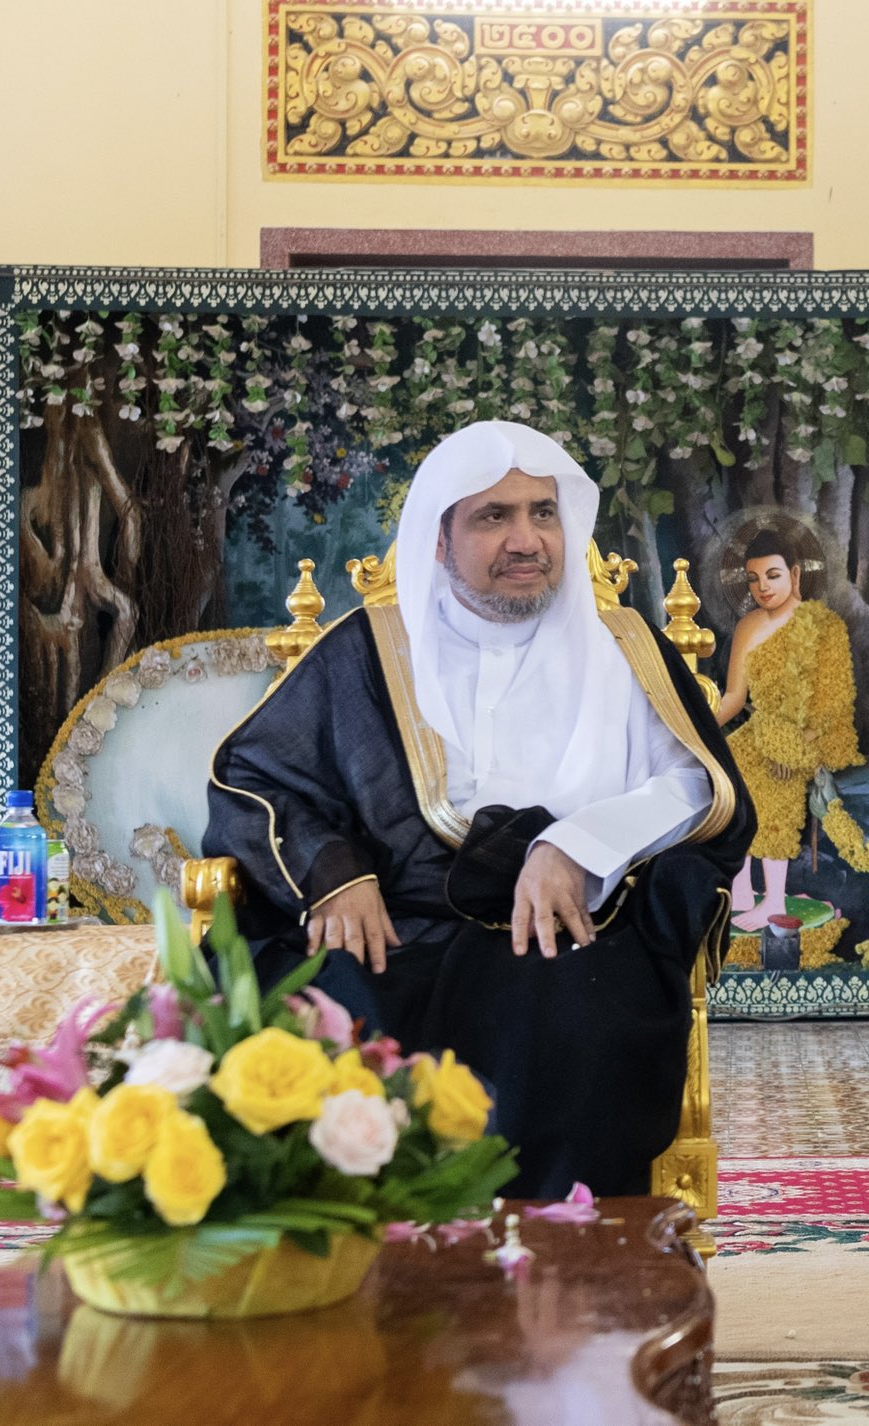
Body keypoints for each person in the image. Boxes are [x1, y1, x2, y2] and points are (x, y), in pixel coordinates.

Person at [204, 420, 752, 1199]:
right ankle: (364, 1274)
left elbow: (697, 787)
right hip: (395, 923)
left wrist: (575, 845)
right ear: (438, 539)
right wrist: (333, 875)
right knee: (321, 1016)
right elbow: (256, 777)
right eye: (493, 517)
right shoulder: (368, 649)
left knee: (570, 1022)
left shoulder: (625, 648)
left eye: (543, 513)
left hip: (572, 929)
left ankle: (558, 1270)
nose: (526, 540)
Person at [713, 527, 863, 933]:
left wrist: (795, 747)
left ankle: (775, 901)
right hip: (761, 730)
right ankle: (741, 890)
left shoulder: (823, 627)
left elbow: (833, 706)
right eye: (754, 578)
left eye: (773, 576)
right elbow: (732, 697)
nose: (763, 587)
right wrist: (697, 730)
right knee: (728, 771)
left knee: (771, 777)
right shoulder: (748, 626)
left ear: (795, 575)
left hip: (811, 735)